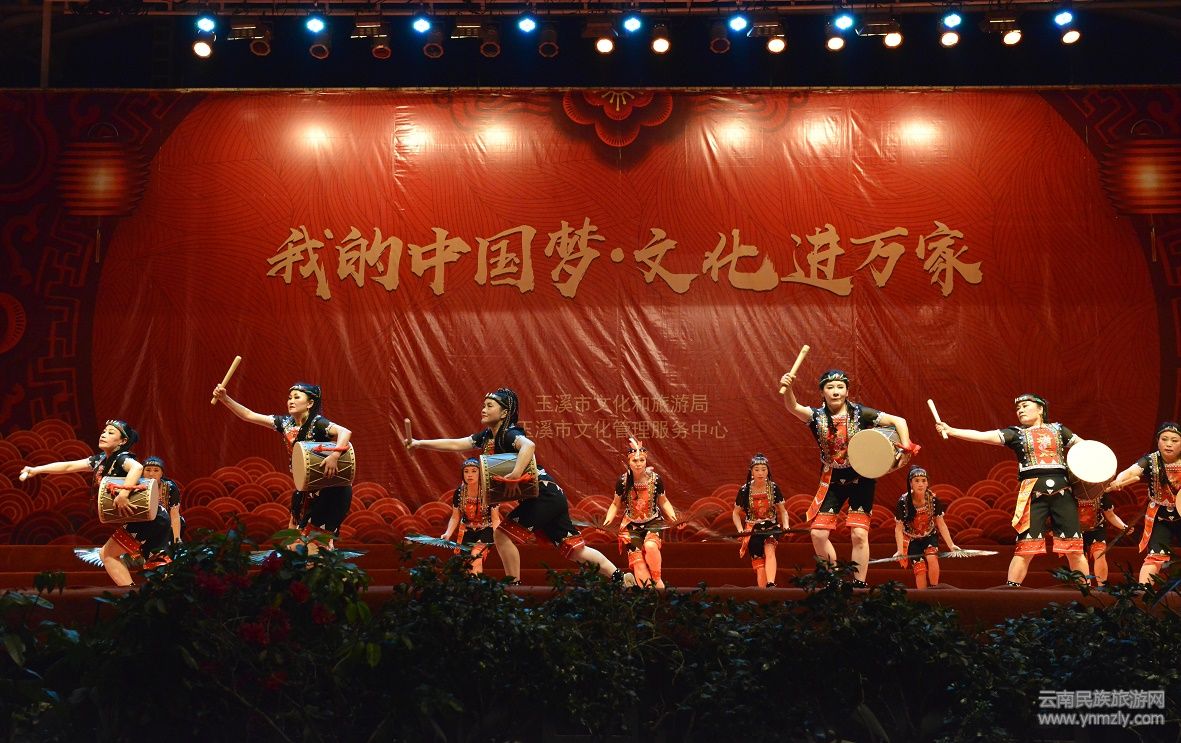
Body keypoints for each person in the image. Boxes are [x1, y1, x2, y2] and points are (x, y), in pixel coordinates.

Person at [406, 387, 628, 585]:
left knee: (502, 535)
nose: (483, 409)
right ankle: (621, 578)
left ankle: (513, 585)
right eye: (484, 405)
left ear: (504, 413)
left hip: (544, 496)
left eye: (489, 406)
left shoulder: (509, 433)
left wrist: (515, 473)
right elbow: (458, 443)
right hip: (549, 496)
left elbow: (529, 446)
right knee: (575, 551)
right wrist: (419, 443)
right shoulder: (488, 435)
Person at [780, 367, 918, 587]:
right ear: (822, 392)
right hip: (832, 478)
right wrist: (788, 388)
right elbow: (793, 407)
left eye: (840, 387)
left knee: (859, 534)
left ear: (847, 391)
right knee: (818, 534)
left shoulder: (860, 413)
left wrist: (906, 447)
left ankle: (859, 583)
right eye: (830, 387)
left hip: (861, 477)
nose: (835, 391)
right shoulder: (816, 416)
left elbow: (899, 421)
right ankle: (833, 579)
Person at [936, 393, 1088, 586]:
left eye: (1025, 406)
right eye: (1018, 408)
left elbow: (1088, 449)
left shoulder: (1059, 430)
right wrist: (952, 430)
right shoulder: (1016, 433)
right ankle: (1011, 591)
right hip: (1032, 494)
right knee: (1025, 548)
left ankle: (1085, 591)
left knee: (1075, 548)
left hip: (1063, 493)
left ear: (1040, 408)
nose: (1020, 410)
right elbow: (983, 436)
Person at [20, 420, 171, 586]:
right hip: (153, 518)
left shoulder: (122, 457)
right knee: (156, 564)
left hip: (149, 518)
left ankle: (131, 594)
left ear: (123, 441)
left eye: (111, 432)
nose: (104, 434)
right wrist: (36, 469)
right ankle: (159, 596)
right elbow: (69, 466)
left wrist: (124, 494)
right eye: (104, 431)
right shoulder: (101, 460)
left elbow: (137, 468)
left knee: (108, 554)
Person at [212, 381, 352, 550]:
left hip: (329, 490)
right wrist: (225, 398)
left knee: (317, 544)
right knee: (293, 542)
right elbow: (248, 415)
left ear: (310, 403)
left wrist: (335, 455)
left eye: (297, 397)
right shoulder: (285, 423)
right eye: (289, 397)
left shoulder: (317, 423)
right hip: (305, 489)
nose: (291, 401)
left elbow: (345, 432)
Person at [1106, 421, 1181, 586]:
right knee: (1155, 556)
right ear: (1158, 441)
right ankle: (1144, 592)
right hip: (1160, 517)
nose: (1169, 444)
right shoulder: (1150, 460)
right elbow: (1131, 472)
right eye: (1164, 439)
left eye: (1174, 440)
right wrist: (1119, 480)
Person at [603, 437, 677, 588]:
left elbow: (663, 501)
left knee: (650, 546)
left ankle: (657, 582)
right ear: (629, 462)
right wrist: (606, 521)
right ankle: (648, 593)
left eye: (642, 460)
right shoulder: (623, 481)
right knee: (638, 563)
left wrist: (674, 518)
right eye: (635, 461)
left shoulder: (656, 479)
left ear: (646, 461)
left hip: (653, 521)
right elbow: (615, 504)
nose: (638, 464)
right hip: (631, 525)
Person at [891, 466, 960, 590]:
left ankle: (934, 590)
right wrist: (900, 550)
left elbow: (941, 524)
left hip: (929, 535)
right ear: (911, 483)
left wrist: (951, 545)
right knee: (920, 570)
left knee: (932, 558)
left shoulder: (933, 500)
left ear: (927, 483)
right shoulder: (903, 502)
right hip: (911, 539)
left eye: (923, 480)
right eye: (917, 481)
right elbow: (898, 529)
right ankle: (923, 597)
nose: (920, 484)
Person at [731, 453, 790, 588]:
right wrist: (740, 530)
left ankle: (771, 584)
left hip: (771, 527)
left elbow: (783, 511)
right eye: (757, 469)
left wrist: (786, 525)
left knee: (769, 549)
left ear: (768, 471)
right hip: (752, 529)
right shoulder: (745, 490)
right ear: (751, 472)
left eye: (763, 469)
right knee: (759, 564)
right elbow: (735, 513)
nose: (760, 473)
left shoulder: (773, 488)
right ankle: (764, 593)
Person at [441, 457, 501, 575]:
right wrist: (447, 533)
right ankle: (472, 585)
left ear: (480, 473)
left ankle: (477, 585)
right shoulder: (459, 492)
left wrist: (499, 537)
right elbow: (455, 517)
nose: (469, 474)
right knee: (466, 564)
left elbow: (495, 519)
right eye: (466, 471)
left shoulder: (490, 492)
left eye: (474, 471)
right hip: (467, 530)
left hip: (486, 528)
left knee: (476, 556)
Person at [142, 456, 184, 544]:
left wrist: (177, 539)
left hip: (165, 525)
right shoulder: (137, 486)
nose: (151, 474)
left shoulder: (170, 487)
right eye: (148, 470)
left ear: (162, 473)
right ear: (142, 472)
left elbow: (174, 514)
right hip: (143, 526)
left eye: (156, 470)